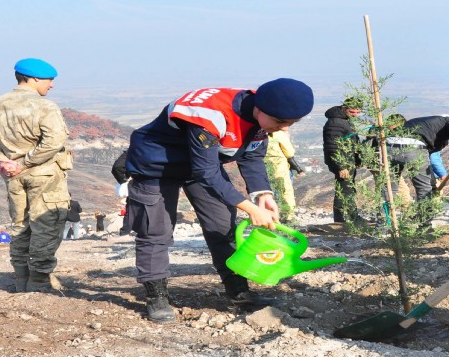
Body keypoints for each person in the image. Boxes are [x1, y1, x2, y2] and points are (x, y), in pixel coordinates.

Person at [125, 78, 314, 322]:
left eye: (291, 123)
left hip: (202, 168)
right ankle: (156, 296)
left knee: (222, 225)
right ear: (258, 108)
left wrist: (262, 194)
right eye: (280, 122)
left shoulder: (263, 115)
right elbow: (207, 173)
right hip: (156, 166)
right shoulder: (211, 114)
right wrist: (249, 208)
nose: (284, 128)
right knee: (156, 230)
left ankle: (238, 292)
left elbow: (253, 157)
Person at [0, 58, 71, 293]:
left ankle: (21, 278)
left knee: (20, 226)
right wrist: (25, 162)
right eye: (50, 80)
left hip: (13, 177)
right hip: (44, 174)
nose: (51, 85)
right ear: (35, 78)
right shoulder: (44, 107)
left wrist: (4, 162)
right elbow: (54, 141)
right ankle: (39, 281)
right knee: (46, 225)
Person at [323, 97, 363, 223]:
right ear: (344, 108)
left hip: (347, 160)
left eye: (358, 112)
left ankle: (342, 218)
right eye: (352, 112)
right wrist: (341, 166)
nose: (355, 115)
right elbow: (332, 146)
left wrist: (357, 159)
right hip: (342, 162)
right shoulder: (336, 122)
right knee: (345, 189)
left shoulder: (344, 120)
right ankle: (350, 218)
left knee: (345, 188)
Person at [265, 129, 304, 224]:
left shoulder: (258, 134)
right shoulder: (278, 134)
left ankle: (271, 216)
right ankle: (287, 217)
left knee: (269, 192)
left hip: (264, 167)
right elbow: (289, 152)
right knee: (286, 192)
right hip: (280, 168)